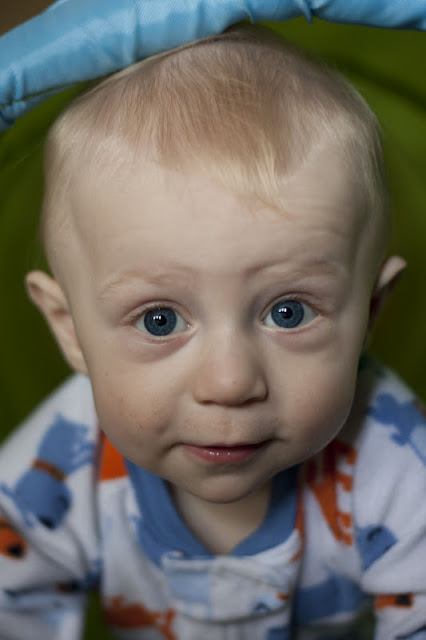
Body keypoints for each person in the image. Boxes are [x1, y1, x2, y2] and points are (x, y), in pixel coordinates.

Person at [0, 24, 425, 640]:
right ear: (69, 329)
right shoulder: (60, 462)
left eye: (288, 312)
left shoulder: (397, 461)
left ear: (372, 310)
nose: (229, 383)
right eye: (160, 320)